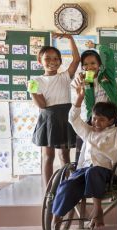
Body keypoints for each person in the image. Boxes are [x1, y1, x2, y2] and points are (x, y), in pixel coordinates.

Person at [50, 83, 117, 230]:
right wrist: (79, 98)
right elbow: (73, 118)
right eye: (94, 118)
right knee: (66, 186)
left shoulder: (116, 133)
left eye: (102, 120)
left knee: (93, 172)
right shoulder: (87, 131)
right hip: (82, 172)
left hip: (103, 172)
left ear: (111, 121)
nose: (96, 122)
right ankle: (55, 224)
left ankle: (97, 210)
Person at [31, 33, 80, 185]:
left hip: (64, 117)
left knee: (65, 156)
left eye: (55, 59)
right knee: (48, 156)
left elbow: (77, 60)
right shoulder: (36, 81)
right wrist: (32, 92)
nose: (52, 62)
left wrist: (70, 39)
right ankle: (48, 191)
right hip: (48, 118)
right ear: (40, 61)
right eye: (47, 59)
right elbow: (42, 105)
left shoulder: (65, 77)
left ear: (60, 62)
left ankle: (68, 187)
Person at [72, 41, 117, 162]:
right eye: (86, 64)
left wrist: (95, 46)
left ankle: (114, 169)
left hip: (111, 117)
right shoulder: (86, 81)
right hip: (94, 119)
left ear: (99, 64)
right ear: (82, 67)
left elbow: (109, 53)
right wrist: (81, 84)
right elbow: (88, 103)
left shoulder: (107, 75)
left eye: (93, 63)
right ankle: (84, 168)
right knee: (88, 146)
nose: (90, 67)